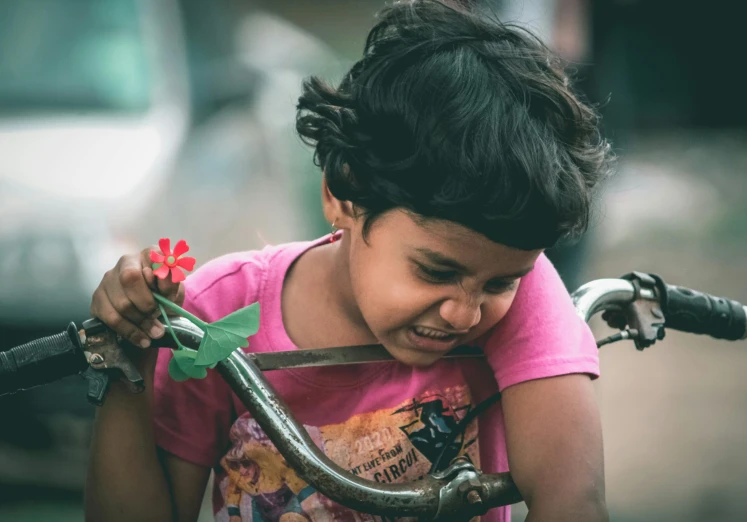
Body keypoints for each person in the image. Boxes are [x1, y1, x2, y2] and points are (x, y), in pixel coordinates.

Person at [84, 2, 614, 521]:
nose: (465, 314)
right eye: (436, 271)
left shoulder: (522, 289)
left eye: (499, 283)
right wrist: (127, 356)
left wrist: (504, 284)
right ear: (343, 195)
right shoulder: (218, 312)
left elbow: (571, 501)